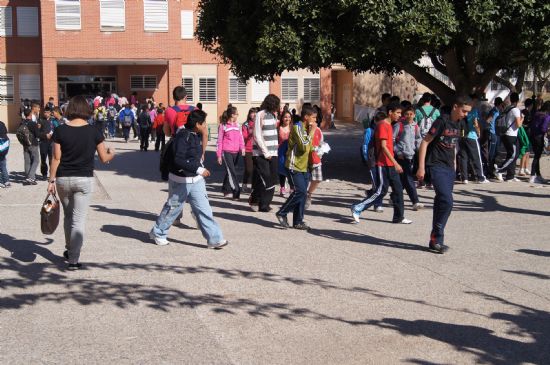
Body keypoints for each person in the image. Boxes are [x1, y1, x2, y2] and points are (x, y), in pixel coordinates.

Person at [47, 95, 115, 270]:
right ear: (86, 110)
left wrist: (51, 180)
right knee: (78, 220)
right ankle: (73, 260)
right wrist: (112, 152)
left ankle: (70, 249)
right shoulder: (94, 131)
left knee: (68, 216)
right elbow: (104, 158)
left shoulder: (60, 130)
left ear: (69, 109)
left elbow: (56, 158)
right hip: (83, 179)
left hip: (62, 179)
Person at [150, 109, 228, 249]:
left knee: (204, 209)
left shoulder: (194, 134)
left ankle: (214, 239)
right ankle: (158, 233)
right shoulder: (182, 136)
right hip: (181, 180)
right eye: (204, 122)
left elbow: (194, 157)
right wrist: (199, 169)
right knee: (173, 208)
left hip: (196, 180)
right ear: (197, 124)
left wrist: (199, 166)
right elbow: (178, 160)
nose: (205, 125)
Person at [417, 96, 472, 254]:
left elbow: (454, 145)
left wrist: (455, 166)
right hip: (435, 165)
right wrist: (421, 168)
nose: (465, 114)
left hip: (449, 168)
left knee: (441, 201)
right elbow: (425, 142)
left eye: (468, 112)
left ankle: (435, 240)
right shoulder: (441, 121)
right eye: (464, 111)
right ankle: (437, 235)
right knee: (447, 201)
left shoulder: (460, 124)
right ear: (455, 106)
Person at [350, 104, 412, 225]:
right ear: (390, 112)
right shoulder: (383, 125)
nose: (400, 115)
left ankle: (398, 217)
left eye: (400, 113)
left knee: (398, 189)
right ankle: (357, 207)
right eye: (398, 113)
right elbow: (383, 147)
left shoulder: (389, 125)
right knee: (381, 191)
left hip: (390, 164)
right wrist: (396, 163)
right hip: (382, 164)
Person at [276, 105, 317, 230]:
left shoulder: (306, 128)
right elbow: (303, 146)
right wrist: (312, 132)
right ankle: (282, 212)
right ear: (306, 117)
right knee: (300, 191)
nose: (315, 120)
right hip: (294, 165)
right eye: (314, 117)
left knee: (303, 195)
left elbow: (309, 147)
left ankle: (298, 221)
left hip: (304, 166)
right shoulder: (297, 127)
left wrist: (317, 149)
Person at [250, 94, 280, 212]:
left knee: (272, 178)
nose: (278, 106)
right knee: (265, 177)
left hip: (274, 153)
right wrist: (265, 152)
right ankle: (259, 201)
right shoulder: (260, 114)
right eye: (277, 104)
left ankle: (262, 202)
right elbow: (257, 135)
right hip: (261, 154)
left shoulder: (273, 115)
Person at [164, 87, 208, 160]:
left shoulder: (168, 111)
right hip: (194, 148)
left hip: (177, 148)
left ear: (173, 98)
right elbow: (205, 134)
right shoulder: (195, 110)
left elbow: (167, 133)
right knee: (194, 169)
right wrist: (202, 153)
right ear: (186, 97)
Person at [393, 106, 424, 210]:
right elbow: (392, 140)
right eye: (407, 114)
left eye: (411, 114)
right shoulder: (399, 125)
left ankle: (394, 196)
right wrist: (398, 151)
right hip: (401, 156)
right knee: (408, 178)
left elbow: (418, 139)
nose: (409, 116)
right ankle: (415, 201)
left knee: (403, 179)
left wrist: (419, 150)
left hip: (412, 155)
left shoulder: (416, 126)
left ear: (414, 115)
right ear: (403, 115)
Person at [457, 96, 489, 184]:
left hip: (462, 135)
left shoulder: (462, 109)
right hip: (471, 135)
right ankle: (481, 177)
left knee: (464, 156)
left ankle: (464, 178)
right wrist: (478, 132)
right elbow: (475, 122)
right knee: (476, 157)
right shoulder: (473, 110)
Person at [216, 106, 245, 199]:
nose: (238, 115)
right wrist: (219, 155)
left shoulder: (238, 125)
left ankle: (225, 189)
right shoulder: (223, 126)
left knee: (230, 172)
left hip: (236, 152)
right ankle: (236, 191)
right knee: (232, 172)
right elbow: (219, 141)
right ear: (232, 115)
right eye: (237, 114)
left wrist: (242, 148)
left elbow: (241, 138)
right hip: (226, 152)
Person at [495, 92, 523, 182]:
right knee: (513, 155)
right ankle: (499, 170)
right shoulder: (516, 110)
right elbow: (518, 125)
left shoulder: (507, 108)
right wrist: (522, 118)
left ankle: (510, 175)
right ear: (518, 100)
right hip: (511, 135)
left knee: (513, 154)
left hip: (505, 134)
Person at [305, 116, 326, 210]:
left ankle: (308, 194)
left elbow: (321, 142)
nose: (315, 119)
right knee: (304, 180)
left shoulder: (318, 130)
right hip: (304, 160)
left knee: (318, 179)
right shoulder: (302, 129)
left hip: (315, 159)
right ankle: (301, 198)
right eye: (313, 117)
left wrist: (320, 153)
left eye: (315, 117)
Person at [530, 101, 550, 183]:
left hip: (533, 136)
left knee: (536, 156)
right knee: (537, 157)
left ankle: (537, 175)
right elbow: (543, 128)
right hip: (539, 137)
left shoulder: (537, 113)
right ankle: (532, 176)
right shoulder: (547, 116)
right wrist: (547, 131)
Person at [485, 97, 504, 178]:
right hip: (493, 133)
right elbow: (488, 120)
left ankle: (492, 170)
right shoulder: (494, 111)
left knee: (495, 153)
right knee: (491, 154)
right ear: (500, 104)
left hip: (496, 134)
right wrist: (490, 127)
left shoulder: (496, 110)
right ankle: (489, 171)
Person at [20, 109, 40, 185]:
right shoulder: (33, 123)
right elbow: (37, 134)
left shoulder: (22, 123)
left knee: (27, 161)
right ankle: (31, 177)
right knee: (36, 160)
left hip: (25, 144)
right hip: (33, 144)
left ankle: (28, 177)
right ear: (31, 114)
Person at [277, 110, 292, 197]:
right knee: (282, 169)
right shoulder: (278, 128)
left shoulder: (293, 127)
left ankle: (292, 187)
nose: (287, 118)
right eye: (285, 117)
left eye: (289, 117)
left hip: (290, 151)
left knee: (290, 169)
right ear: (282, 118)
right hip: (281, 150)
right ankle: (282, 187)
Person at [241, 108, 256, 193]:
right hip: (248, 149)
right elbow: (244, 137)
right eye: (252, 113)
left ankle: (254, 187)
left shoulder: (258, 123)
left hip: (257, 149)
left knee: (255, 169)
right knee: (249, 169)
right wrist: (250, 132)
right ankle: (244, 184)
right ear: (249, 114)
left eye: (255, 113)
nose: (253, 115)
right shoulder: (245, 124)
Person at [38, 107, 54, 180]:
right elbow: (38, 133)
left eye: (47, 112)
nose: (46, 114)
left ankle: (52, 174)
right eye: (45, 112)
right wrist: (45, 135)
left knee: (52, 159)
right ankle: (44, 174)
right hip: (43, 142)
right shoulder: (40, 120)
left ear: (50, 113)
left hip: (52, 143)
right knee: (43, 159)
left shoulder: (53, 120)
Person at [0, 120, 10, 188]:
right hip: (4, 148)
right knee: (3, 165)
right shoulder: (2, 123)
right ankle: (6, 181)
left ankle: (1, 181)